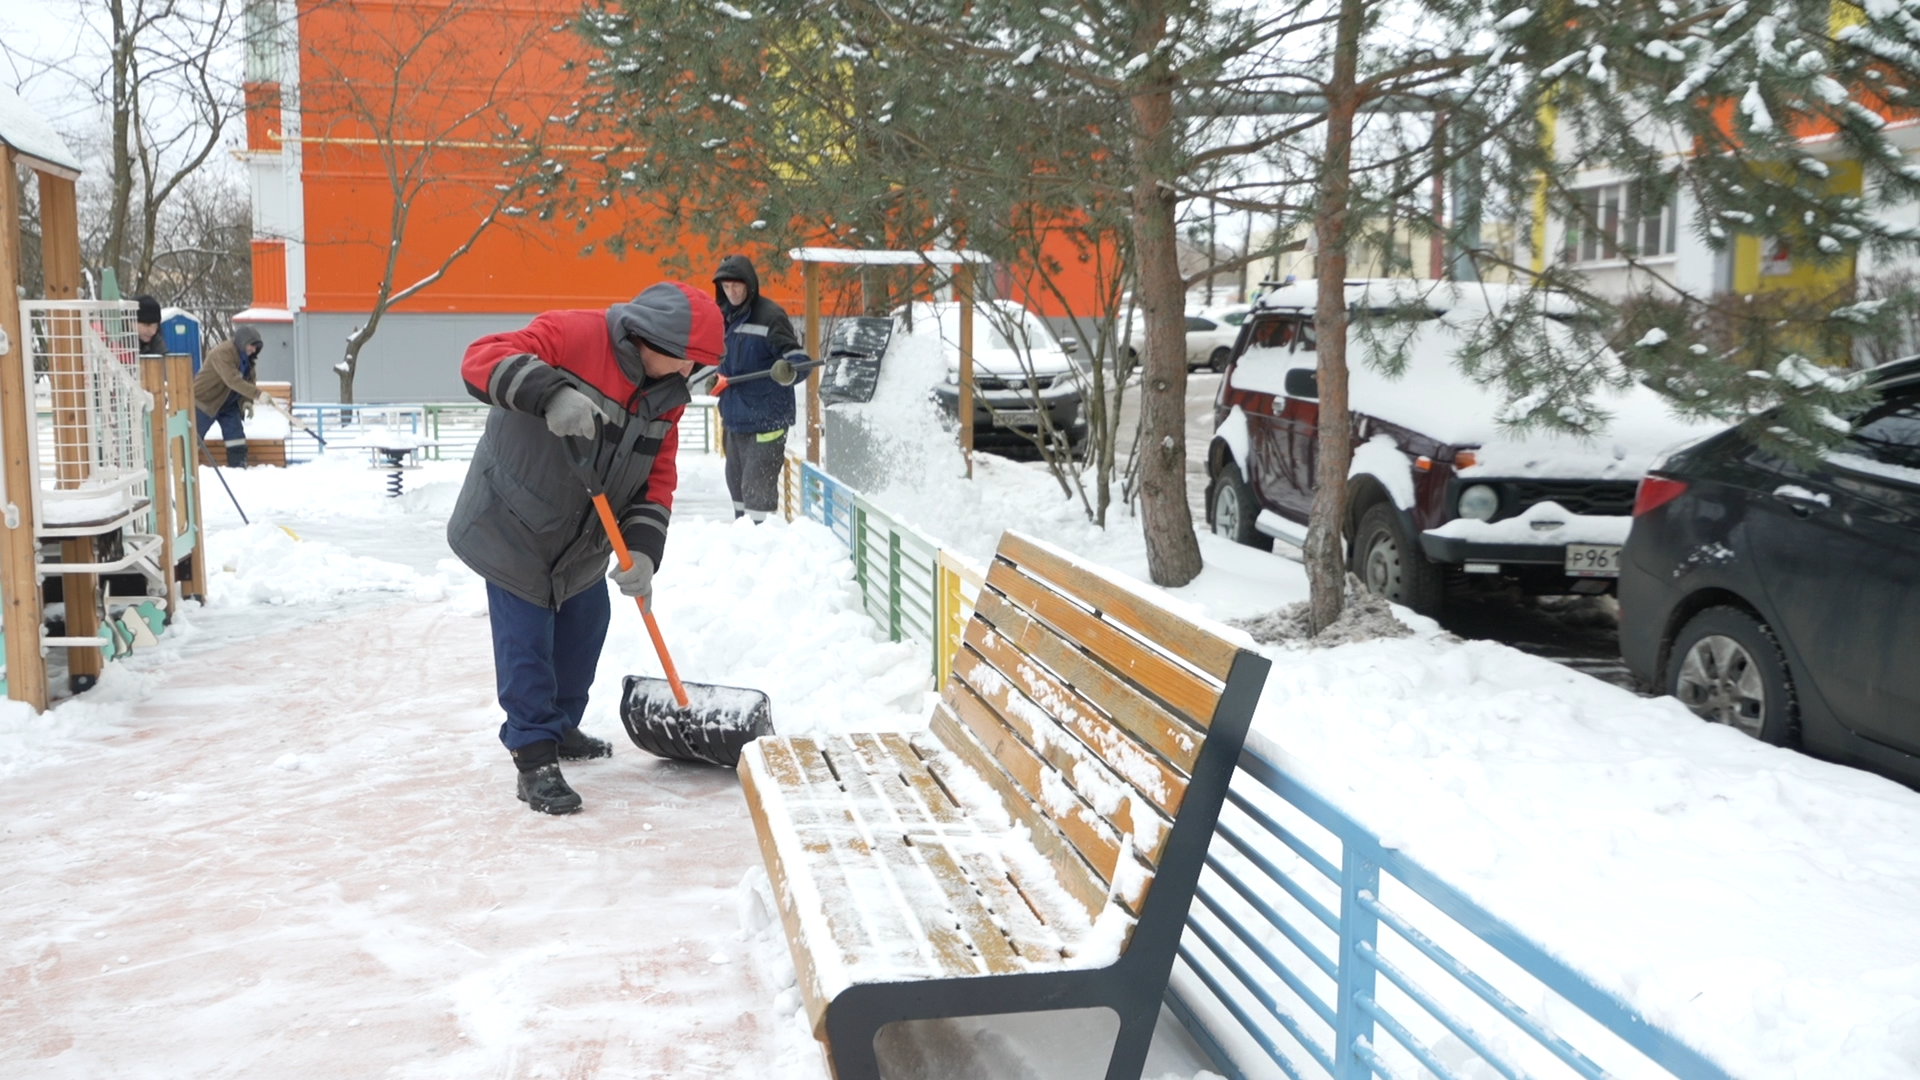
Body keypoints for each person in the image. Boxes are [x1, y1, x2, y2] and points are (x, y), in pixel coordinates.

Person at [448, 282, 723, 815]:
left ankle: (561, 725)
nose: (696, 373)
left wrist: (643, 550)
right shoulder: (573, 334)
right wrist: (548, 391)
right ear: (656, 342)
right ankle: (534, 758)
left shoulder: (667, 397)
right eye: (692, 361)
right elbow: (482, 357)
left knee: (585, 624)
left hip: (582, 537)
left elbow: (656, 477)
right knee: (526, 641)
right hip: (513, 523)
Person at [712, 255, 811, 522]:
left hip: (766, 422)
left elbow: (801, 360)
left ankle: (763, 550)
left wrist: (787, 371)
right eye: (726, 287)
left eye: (737, 286)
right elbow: (720, 360)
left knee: (758, 497)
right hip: (734, 422)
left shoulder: (770, 316)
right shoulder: (721, 317)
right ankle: (744, 553)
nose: (731, 293)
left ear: (749, 285)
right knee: (738, 495)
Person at [193, 327, 268, 468]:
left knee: (236, 437)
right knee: (193, 438)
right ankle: (182, 467)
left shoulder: (248, 360)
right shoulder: (223, 353)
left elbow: (248, 381)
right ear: (242, 342)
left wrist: (246, 401)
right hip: (205, 402)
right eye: (251, 345)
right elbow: (232, 380)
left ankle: (239, 466)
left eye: (256, 347)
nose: (253, 350)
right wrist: (258, 394)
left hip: (229, 404)